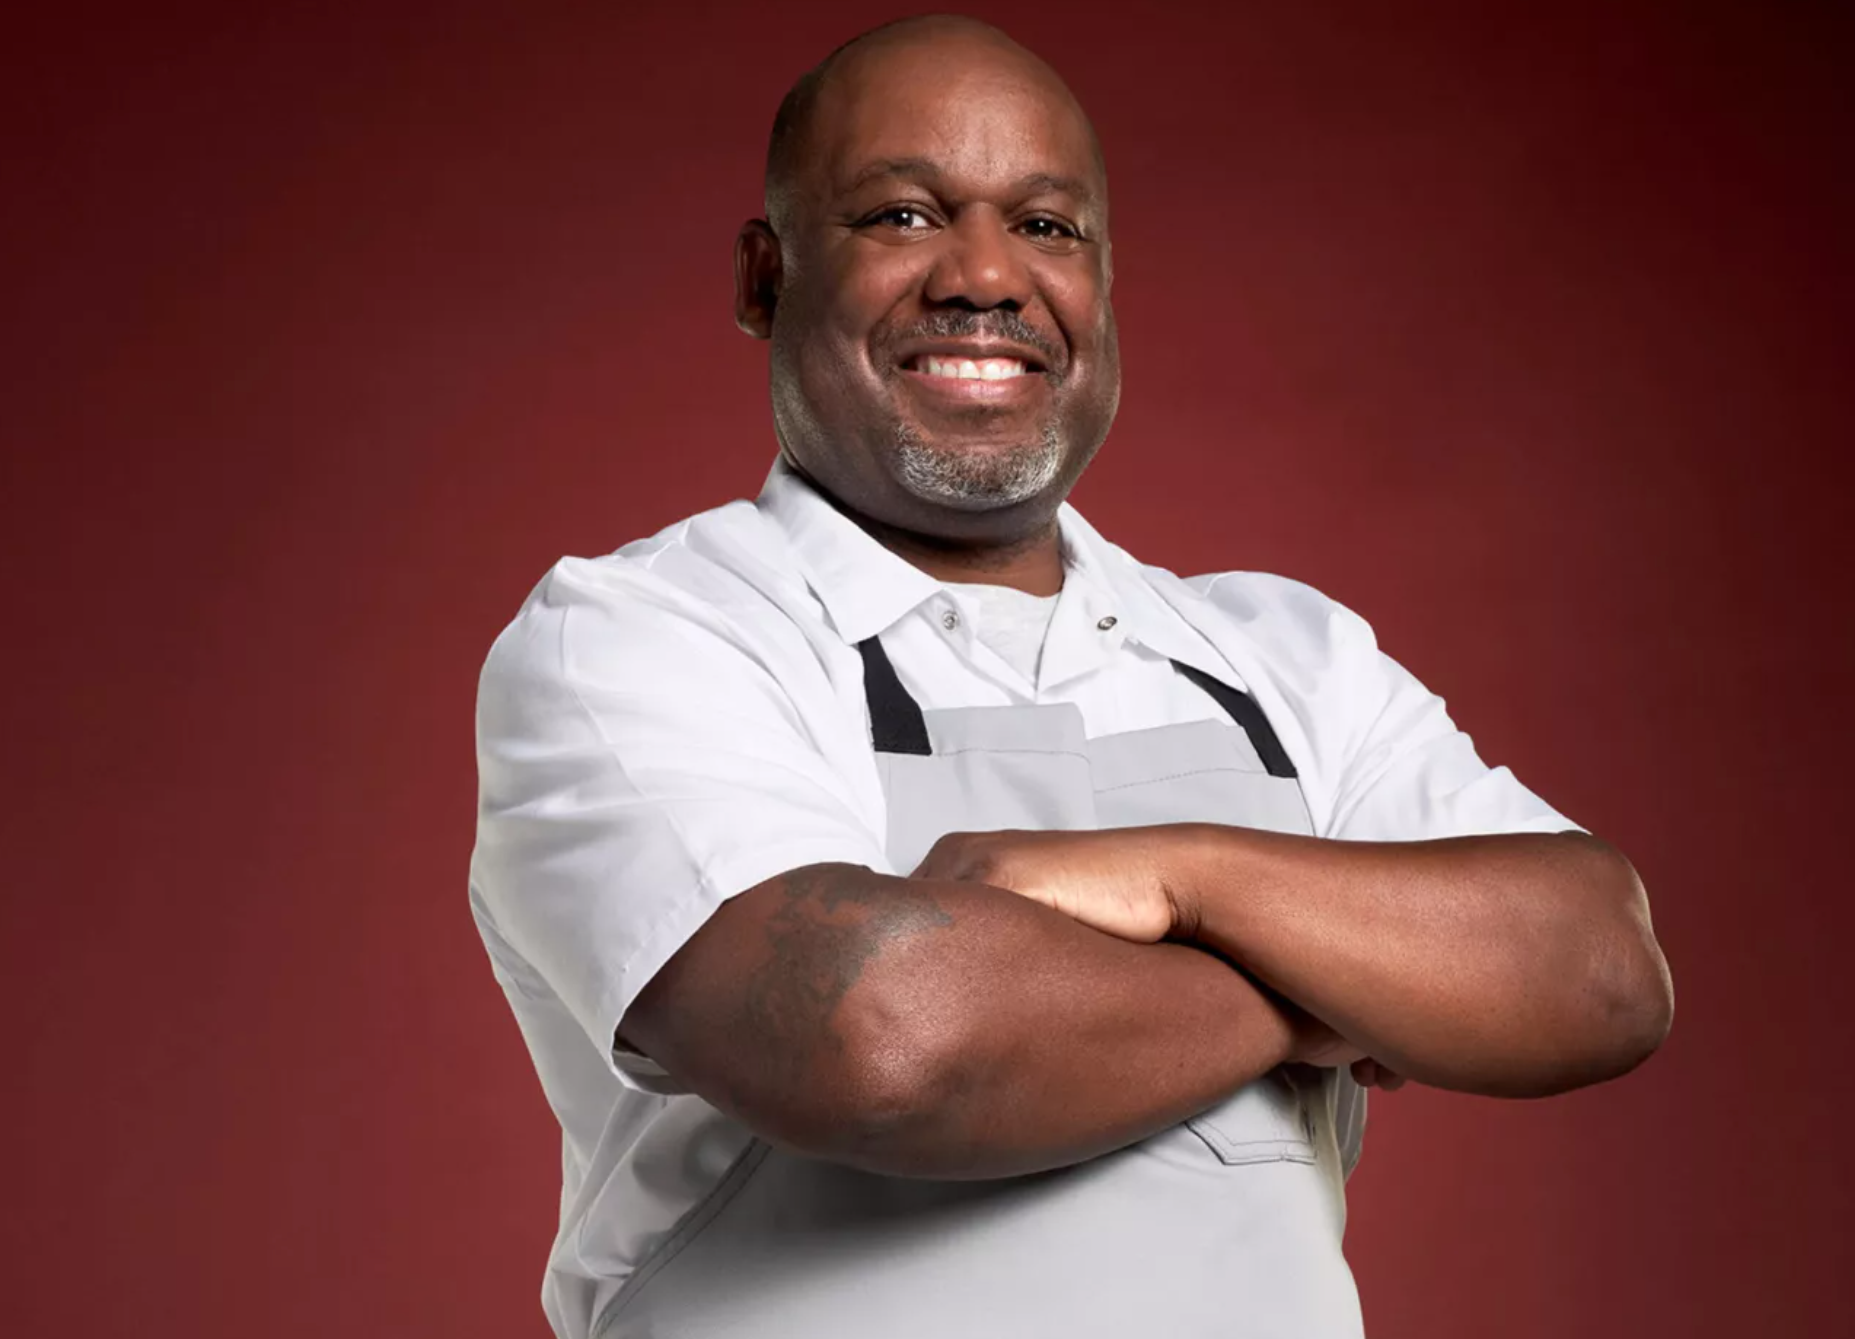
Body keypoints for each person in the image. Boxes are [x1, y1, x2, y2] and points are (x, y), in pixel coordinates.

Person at [469, 15, 1674, 1339]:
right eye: (902, 214)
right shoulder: (648, 633)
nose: (983, 274)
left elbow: (1596, 969)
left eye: (1046, 227)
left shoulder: (1284, 653)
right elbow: (883, 1041)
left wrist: (1183, 876)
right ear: (767, 277)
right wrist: (1329, 983)